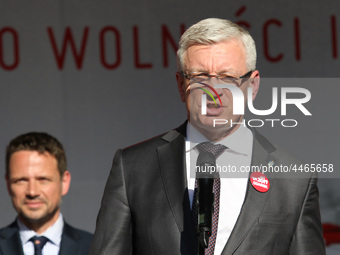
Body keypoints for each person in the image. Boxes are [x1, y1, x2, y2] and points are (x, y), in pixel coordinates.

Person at [89, 18, 325, 254]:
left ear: (252, 86)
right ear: (181, 86)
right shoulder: (133, 168)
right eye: (200, 76)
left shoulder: (294, 180)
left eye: (227, 77)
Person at [0, 132, 93, 255]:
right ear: (8, 184)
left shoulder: (95, 248)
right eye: (21, 180)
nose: (32, 192)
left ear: (64, 182)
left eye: (43, 180)